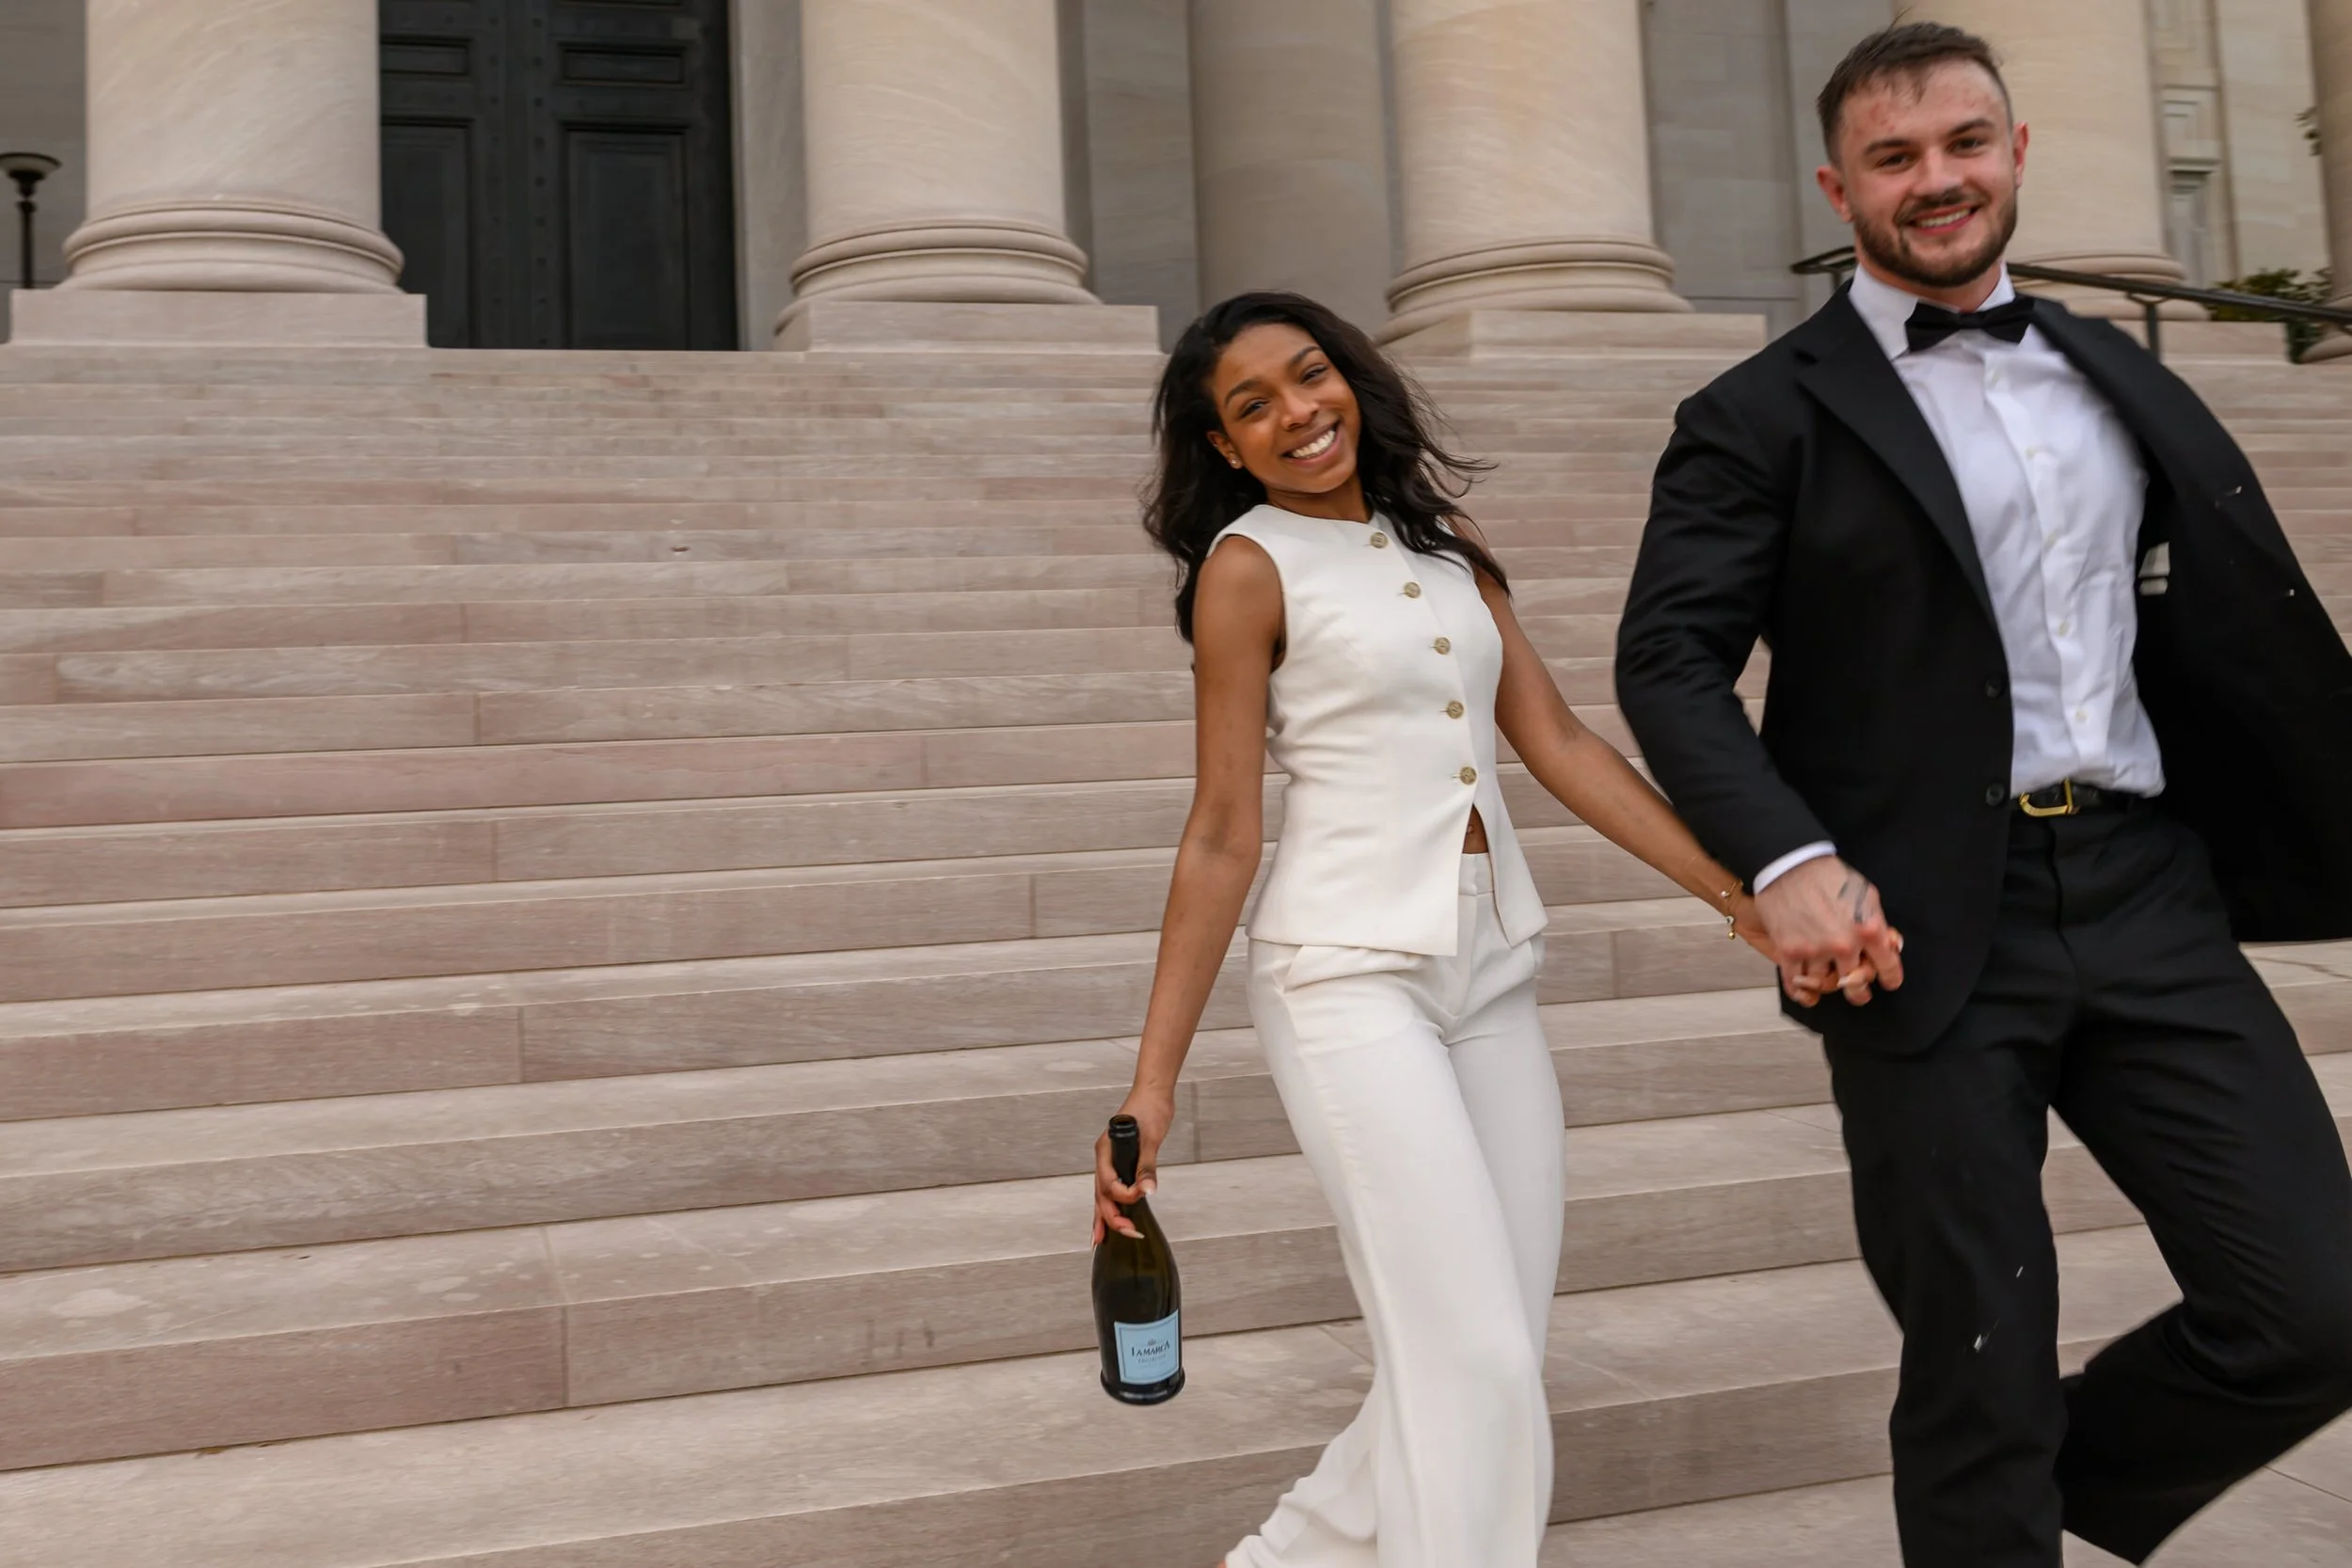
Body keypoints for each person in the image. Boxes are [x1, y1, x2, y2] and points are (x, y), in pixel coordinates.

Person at [1615, 21, 2352, 1568]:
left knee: (2319, 1301)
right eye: (1894, 158)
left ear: (2018, 150)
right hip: (1921, 924)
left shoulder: (2114, 370)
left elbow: (2222, 615)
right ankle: (1988, 1479)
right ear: (1839, 184)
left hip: (2149, 885)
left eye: (1963, 143)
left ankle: (2027, 1481)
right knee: (1975, 1352)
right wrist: (1788, 860)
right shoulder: (1758, 415)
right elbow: (1669, 667)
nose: (1935, 180)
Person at [1091, 291, 1784, 1568]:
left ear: (1351, 376)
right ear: (1226, 448)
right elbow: (1223, 831)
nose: (1299, 412)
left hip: (1491, 975)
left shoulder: (1448, 547)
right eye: (1255, 406)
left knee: (1488, 1348)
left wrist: (1739, 896)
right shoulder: (1247, 570)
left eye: (1310, 377)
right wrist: (1152, 1081)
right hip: (1346, 980)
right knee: (1468, 1357)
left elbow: (1562, 743)